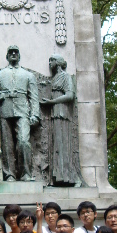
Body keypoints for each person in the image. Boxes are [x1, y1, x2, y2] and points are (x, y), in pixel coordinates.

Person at [0, 45, 40, 181]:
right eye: (11, 52)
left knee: (23, 142)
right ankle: (9, 174)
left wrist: (35, 114)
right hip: (4, 110)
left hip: (23, 111)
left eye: (16, 52)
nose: (13, 54)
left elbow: (33, 97)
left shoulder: (28, 75)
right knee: (6, 144)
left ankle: (26, 173)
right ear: (7, 56)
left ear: (19, 56)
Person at [40, 54, 78, 185]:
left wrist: (52, 101)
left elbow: (70, 95)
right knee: (56, 144)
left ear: (59, 62)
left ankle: (66, 176)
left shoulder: (66, 76)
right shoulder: (55, 77)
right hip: (54, 114)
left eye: (52, 60)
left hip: (62, 113)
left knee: (62, 144)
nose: (49, 63)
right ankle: (56, 176)